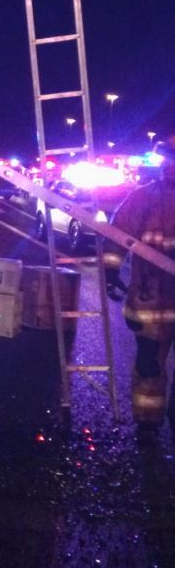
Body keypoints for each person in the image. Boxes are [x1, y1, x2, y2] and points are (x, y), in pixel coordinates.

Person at [103, 133, 175, 433]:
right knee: (149, 368)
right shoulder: (143, 197)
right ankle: (147, 424)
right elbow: (118, 233)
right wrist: (110, 270)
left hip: (153, 301)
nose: (170, 166)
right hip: (151, 303)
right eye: (168, 159)